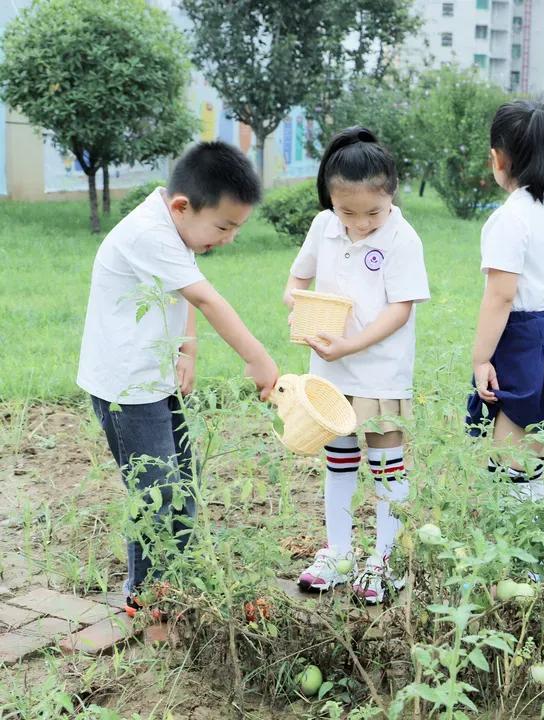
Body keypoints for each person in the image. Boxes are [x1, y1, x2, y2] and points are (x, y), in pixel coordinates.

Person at [78, 141, 278, 617]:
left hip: (155, 378)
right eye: (224, 226)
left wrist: (186, 348)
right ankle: (146, 599)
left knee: (183, 482)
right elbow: (205, 297)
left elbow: (179, 286)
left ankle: (180, 579)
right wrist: (257, 360)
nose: (228, 238)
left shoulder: (174, 226)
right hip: (127, 388)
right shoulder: (149, 233)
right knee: (155, 492)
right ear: (183, 206)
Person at [284, 128, 429, 603]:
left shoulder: (402, 237)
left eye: (374, 212)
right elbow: (299, 274)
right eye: (348, 211)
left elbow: (400, 309)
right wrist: (295, 299)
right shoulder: (322, 226)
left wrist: (349, 345)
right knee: (339, 461)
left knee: (387, 465)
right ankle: (339, 552)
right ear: (330, 198)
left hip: (380, 371)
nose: (361, 222)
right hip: (330, 372)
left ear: (391, 195)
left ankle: (386, 559)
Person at [466, 100, 544, 501]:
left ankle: (520, 554)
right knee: (532, 454)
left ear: (497, 158)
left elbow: (501, 296)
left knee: (509, 461)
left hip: (523, 339)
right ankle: (531, 541)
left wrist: (481, 359)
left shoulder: (510, 219)